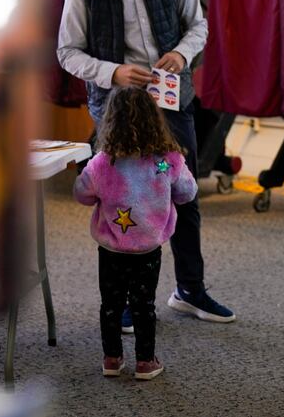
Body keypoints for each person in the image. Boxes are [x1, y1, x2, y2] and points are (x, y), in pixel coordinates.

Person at [57, 0, 234, 324]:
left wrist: (180, 53)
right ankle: (125, 305)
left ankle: (190, 289)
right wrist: (112, 72)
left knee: (183, 195)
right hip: (117, 110)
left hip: (172, 102)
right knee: (121, 201)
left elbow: (199, 25)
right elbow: (67, 52)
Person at [74, 88, 198, 379]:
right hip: (147, 249)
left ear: (110, 122)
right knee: (145, 305)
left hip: (111, 250)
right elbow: (188, 192)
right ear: (154, 120)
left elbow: (82, 194)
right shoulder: (168, 160)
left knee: (111, 304)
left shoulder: (104, 162)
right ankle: (145, 361)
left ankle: (111, 359)